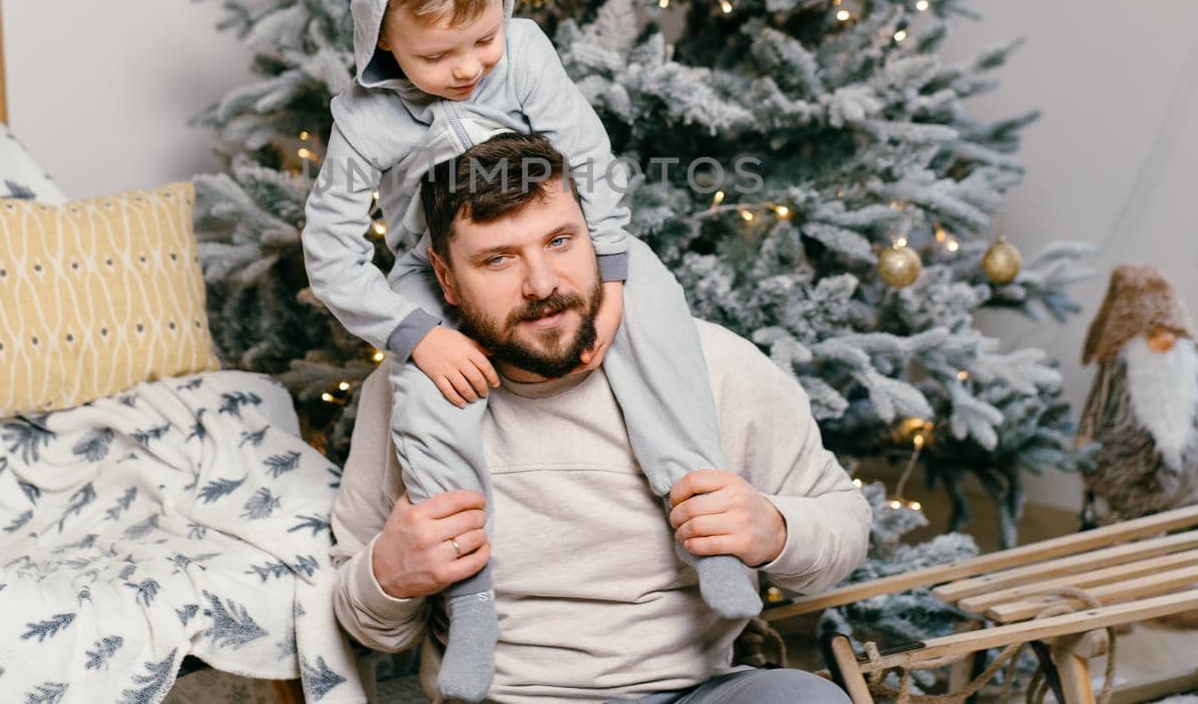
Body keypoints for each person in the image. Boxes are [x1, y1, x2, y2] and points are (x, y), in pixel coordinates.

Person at [303, 0, 760, 700]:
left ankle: (705, 528)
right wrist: (416, 332)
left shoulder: (522, 51)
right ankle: (472, 600)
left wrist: (612, 271)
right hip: (440, 276)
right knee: (428, 397)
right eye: (436, 57)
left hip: (566, 233)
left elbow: (586, 156)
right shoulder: (363, 121)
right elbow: (331, 253)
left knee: (655, 308)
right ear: (382, 44)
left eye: (478, 42)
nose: (468, 69)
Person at [328, 132, 870, 703]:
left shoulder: (711, 365)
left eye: (560, 241)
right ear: (446, 279)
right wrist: (388, 576)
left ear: (598, 240)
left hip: (695, 694)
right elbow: (365, 625)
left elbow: (845, 524)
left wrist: (774, 530)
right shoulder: (409, 396)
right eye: (498, 259)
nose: (542, 285)